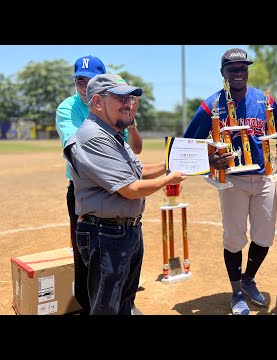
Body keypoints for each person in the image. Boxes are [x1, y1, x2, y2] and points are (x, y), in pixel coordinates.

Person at [63, 73, 186, 315]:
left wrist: (177, 162)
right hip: (105, 234)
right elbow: (130, 189)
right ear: (98, 102)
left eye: (131, 98)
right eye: (121, 98)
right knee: (106, 308)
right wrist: (170, 179)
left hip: (125, 231)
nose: (129, 104)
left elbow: (140, 172)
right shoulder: (92, 138)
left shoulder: (113, 134)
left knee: (124, 304)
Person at [183, 48, 277, 315]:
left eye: (243, 68)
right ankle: (236, 293)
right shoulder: (211, 104)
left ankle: (248, 278)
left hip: (265, 177)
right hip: (232, 181)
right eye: (233, 69)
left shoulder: (265, 99)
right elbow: (190, 144)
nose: (239, 73)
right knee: (234, 238)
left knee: (264, 236)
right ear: (223, 73)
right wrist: (210, 161)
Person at [55, 56, 143, 315]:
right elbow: (83, 147)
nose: (83, 85)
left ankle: (122, 304)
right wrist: (107, 112)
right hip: (87, 190)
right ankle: (89, 304)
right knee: (88, 257)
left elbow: (135, 149)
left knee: (124, 254)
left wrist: (126, 115)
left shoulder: (114, 106)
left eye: (89, 80)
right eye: (79, 80)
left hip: (119, 184)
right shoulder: (68, 108)